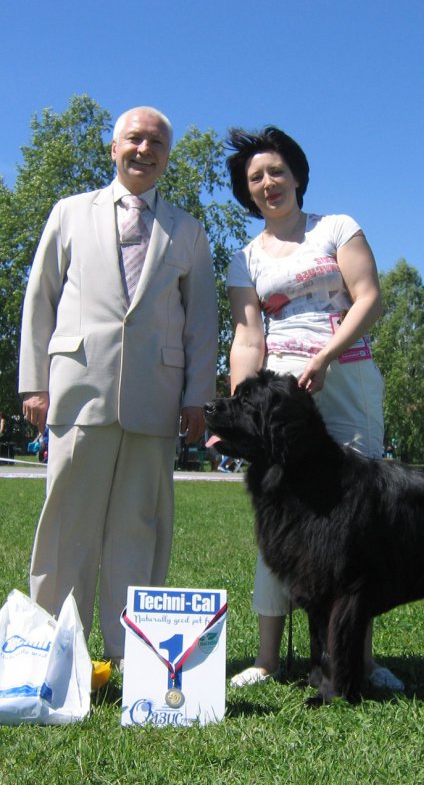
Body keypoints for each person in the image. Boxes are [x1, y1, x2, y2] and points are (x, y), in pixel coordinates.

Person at [18, 106, 218, 664]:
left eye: (156, 142)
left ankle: (135, 658)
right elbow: (41, 299)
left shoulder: (188, 230)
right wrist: (34, 383)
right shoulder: (69, 213)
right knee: (66, 527)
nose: (144, 149)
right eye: (134, 138)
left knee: (139, 528)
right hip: (78, 388)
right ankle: (54, 656)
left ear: (167, 157)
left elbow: (203, 321)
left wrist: (197, 396)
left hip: (156, 400)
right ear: (113, 148)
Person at [225, 126, 403, 691]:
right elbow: (248, 338)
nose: (267, 184)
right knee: (281, 519)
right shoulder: (245, 258)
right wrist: (240, 410)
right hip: (284, 403)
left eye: (276, 172)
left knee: (356, 525)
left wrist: (326, 355)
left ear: (298, 176)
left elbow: (369, 296)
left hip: (346, 381)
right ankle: (268, 658)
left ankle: (360, 661)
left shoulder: (337, 228)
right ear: (247, 193)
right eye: (255, 179)